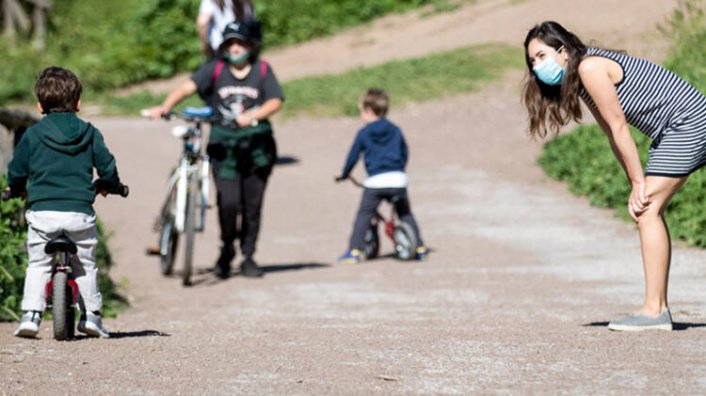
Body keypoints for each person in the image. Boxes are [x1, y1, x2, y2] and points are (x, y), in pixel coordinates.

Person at [522, 21, 706, 331]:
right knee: (647, 208)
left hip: (688, 123)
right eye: (532, 61)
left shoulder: (591, 68)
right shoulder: (582, 79)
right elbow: (610, 132)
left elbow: (620, 126)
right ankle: (657, 308)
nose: (537, 66)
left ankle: (654, 310)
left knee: (646, 209)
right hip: (674, 130)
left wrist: (639, 184)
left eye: (541, 56)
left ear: (563, 51)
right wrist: (633, 182)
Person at [148, 19, 284, 279]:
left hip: (258, 147)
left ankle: (248, 256)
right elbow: (188, 87)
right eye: (230, 43)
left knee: (252, 205)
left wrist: (254, 115)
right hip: (224, 147)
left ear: (251, 45)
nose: (235, 48)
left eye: (240, 42)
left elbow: (276, 100)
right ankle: (226, 251)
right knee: (229, 203)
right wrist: (165, 105)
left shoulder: (263, 70)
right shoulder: (214, 68)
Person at [7, 66, 123, 338]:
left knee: (38, 264)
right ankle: (92, 317)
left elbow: (17, 170)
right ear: (79, 103)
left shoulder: (32, 135)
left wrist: (16, 188)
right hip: (79, 214)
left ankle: (30, 316)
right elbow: (107, 167)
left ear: (39, 105)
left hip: (43, 214)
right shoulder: (90, 132)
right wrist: (110, 184)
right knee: (85, 263)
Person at [335, 88, 428, 264]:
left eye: (361, 111)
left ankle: (354, 251)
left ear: (369, 111)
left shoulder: (364, 133)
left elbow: (353, 156)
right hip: (397, 179)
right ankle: (420, 247)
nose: (361, 115)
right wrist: (399, 168)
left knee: (364, 214)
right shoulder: (395, 129)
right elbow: (405, 151)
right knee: (405, 213)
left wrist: (345, 174)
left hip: (376, 182)